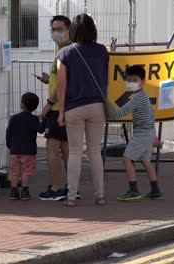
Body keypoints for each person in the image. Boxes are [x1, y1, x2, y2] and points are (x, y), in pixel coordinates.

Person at [56, 14, 109, 207]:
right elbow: (106, 80)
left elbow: (62, 85)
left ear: (73, 31)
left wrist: (61, 112)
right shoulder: (103, 51)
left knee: (76, 152)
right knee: (95, 152)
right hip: (97, 106)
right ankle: (100, 195)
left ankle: (71, 197)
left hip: (73, 107)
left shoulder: (65, 53)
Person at [114, 66, 164, 201]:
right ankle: (155, 190)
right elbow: (151, 115)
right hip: (148, 133)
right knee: (145, 161)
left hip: (142, 134)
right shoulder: (143, 95)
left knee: (126, 159)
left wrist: (107, 112)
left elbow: (123, 112)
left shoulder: (138, 97)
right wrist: (153, 135)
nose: (131, 82)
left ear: (143, 81)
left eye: (134, 80)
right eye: (129, 80)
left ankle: (133, 190)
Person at [37, 15, 72, 201]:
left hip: (59, 107)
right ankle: (71, 187)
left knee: (52, 147)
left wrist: (49, 104)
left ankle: (57, 187)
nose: (56, 33)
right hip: (65, 106)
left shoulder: (64, 53)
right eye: (53, 29)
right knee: (66, 148)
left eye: (60, 29)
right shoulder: (67, 51)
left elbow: (63, 85)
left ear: (69, 30)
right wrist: (49, 80)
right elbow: (60, 81)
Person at [6, 93, 40, 200]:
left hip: (15, 150)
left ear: (22, 105)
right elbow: (40, 129)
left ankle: (13, 191)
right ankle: (25, 191)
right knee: (26, 171)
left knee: (15, 170)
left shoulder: (14, 118)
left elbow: (9, 133)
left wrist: (9, 144)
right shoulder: (34, 119)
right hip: (29, 150)